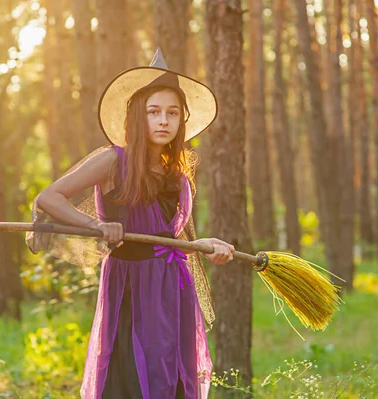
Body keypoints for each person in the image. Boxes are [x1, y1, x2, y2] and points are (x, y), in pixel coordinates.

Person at [26, 48, 234, 399]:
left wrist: (206, 244)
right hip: (131, 288)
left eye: (172, 113)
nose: (163, 121)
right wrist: (95, 227)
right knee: (131, 375)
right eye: (154, 112)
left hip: (172, 287)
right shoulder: (113, 161)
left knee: (172, 373)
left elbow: (172, 236)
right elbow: (48, 198)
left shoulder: (178, 174)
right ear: (139, 116)